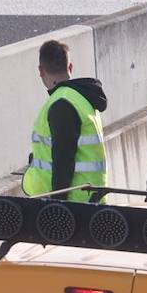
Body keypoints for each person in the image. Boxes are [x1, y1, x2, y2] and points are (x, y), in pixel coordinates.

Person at [22, 39, 108, 202]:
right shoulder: (82, 100)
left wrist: (58, 204)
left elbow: (63, 161)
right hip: (88, 200)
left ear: (41, 71)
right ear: (70, 67)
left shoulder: (62, 103)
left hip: (73, 206)